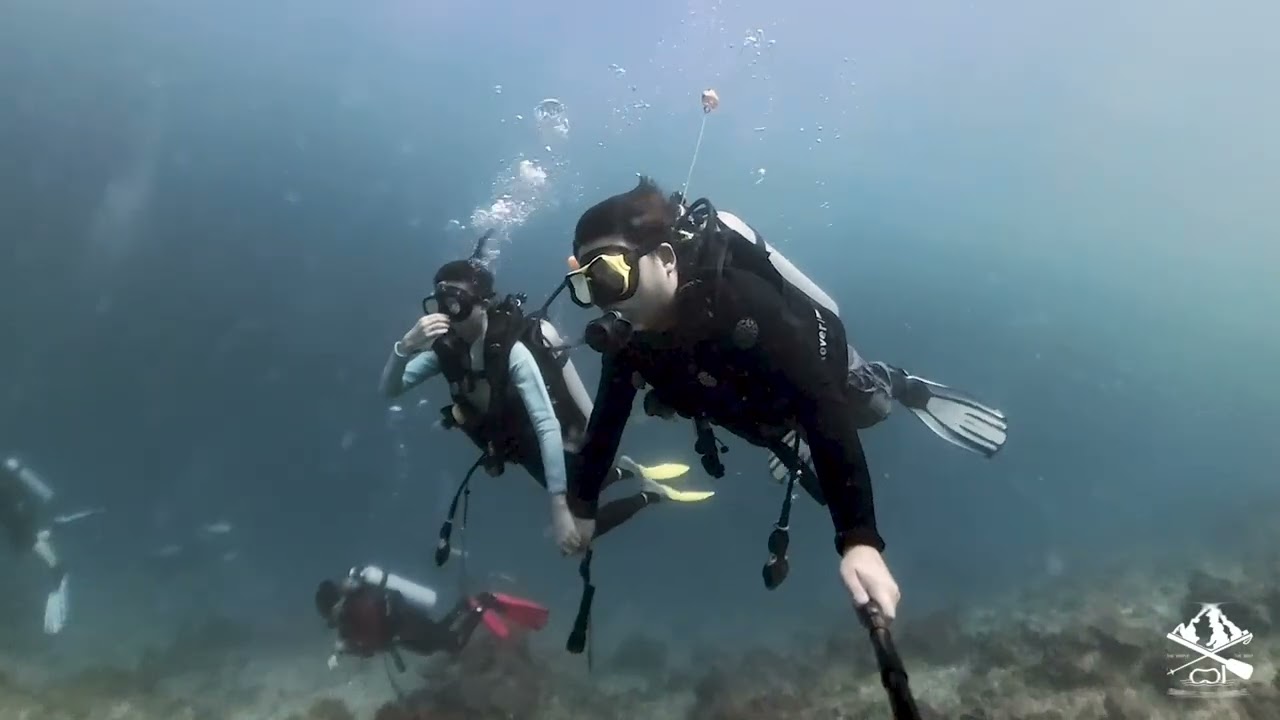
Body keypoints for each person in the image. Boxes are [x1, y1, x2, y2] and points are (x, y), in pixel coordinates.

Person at [560, 177, 1010, 620]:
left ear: (665, 259)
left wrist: (860, 542)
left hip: (819, 379)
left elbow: (821, 405)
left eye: (608, 275)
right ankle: (787, 434)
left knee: (867, 409)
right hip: (752, 409)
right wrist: (581, 507)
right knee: (772, 430)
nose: (603, 302)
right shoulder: (627, 343)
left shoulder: (741, 301)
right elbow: (607, 421)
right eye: (586, 286)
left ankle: (897, 382)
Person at [379, 231, 713, 556]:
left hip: (556, 439)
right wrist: (404, 347)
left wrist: (558, 507)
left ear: (482, 304)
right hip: (520, 447)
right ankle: (627, 472)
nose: (449, 316)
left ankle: (649, 495)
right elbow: (391, 389)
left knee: (580, 529)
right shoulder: (445, 351)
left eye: (457, 305)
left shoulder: (511, 352)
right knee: (585, 487)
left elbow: (545, 423)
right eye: (441, 306)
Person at [315, 564, 548, 669]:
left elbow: (373, 643)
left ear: (333, 606)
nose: (333, 621)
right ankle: (466, 604)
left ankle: (484, 603)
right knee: (443, 633)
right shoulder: (354, 604)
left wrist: (347, 648)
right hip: (407, 623)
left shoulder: (353, 613)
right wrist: (346, 647)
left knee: (453, 644)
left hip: (408, 628)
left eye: (330, 616)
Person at [1, 455, 71, 634]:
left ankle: (57, 582)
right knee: (51, 561)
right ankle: (57, 581)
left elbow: (17, 517)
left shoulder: (10, 489)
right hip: (27, 527)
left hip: (25, 529)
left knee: (49, 559)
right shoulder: (15, 485)